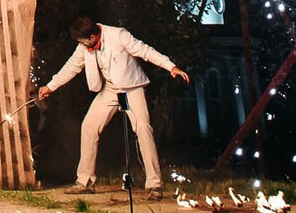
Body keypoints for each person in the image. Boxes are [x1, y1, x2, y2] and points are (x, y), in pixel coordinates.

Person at [36, 15, 190, 196]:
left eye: (83, 42)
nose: (82, 45)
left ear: (93, 37)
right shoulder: (84, 47)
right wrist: (50, 87)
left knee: (143, 129)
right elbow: (71, 67)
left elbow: (145, 51)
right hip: (110, 90)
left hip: (132, 88)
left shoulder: (119, 35)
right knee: (89, 126)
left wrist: (170, 66)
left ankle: (154, 184)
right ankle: (85, 181)